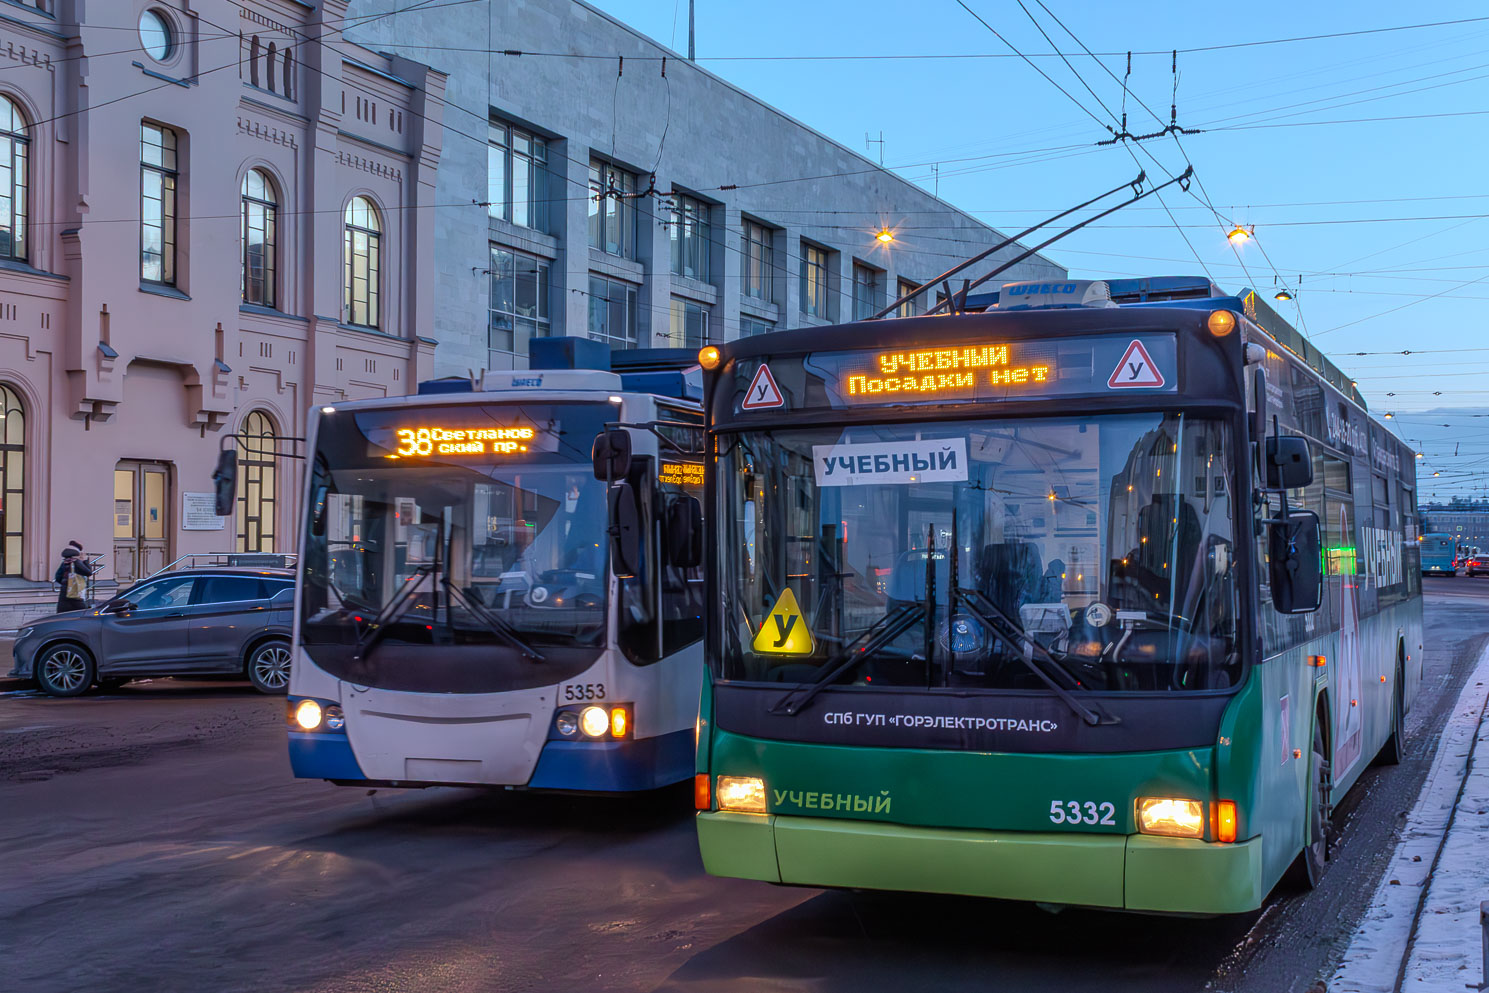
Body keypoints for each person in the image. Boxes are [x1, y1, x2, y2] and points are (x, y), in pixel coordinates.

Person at [55, 546, 92, 612]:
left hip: (64, 594)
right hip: (76, 593)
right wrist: (85, 560)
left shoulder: (64, 562)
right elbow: (88, 572)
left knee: (62, 615)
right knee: (81, 615)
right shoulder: (77, 562)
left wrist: (67, 584)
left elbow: (57, 577)